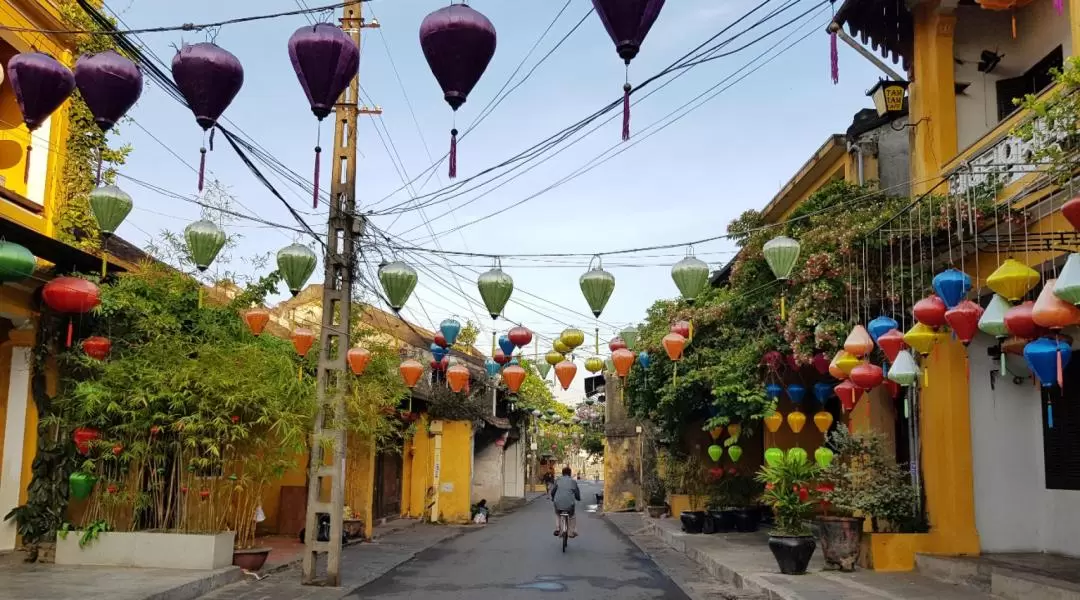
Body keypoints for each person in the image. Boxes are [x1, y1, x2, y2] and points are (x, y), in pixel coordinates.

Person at [550, 466, 580, 538]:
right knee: (572, 516)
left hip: (558, 503)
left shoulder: (558, 480)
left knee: (557, 514)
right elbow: (577, 493)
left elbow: (553, 491)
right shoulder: (573, 481)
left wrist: (553, 498)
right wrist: (578, 498)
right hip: (570, 505)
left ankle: (557, 529)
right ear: (570, 474)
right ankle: (571, 532)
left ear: (562, 474)